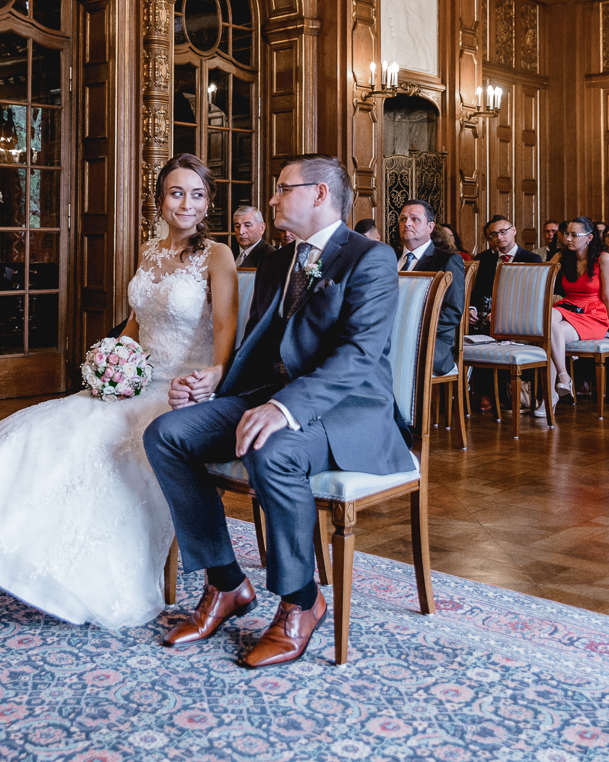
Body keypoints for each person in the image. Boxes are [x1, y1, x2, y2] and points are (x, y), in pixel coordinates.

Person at [0, 154, 238, 629]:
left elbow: (226, 326)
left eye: (197, 195)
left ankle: (74, 571)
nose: (186, 203)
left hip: (184, 388)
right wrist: (112, 361)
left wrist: (216, 374)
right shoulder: (148, 251)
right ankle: (9, 540)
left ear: (208, 205)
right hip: (136, 380)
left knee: (100, 445)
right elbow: (137, 323)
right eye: (177, 192)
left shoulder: (217, 255)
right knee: (41, 427)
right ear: (160, 199)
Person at [143, 154, 414, 669]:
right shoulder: (273, 260)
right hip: (269, 395)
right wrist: (212, 389)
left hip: (347, 410)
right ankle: (226, 583)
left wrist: (283, 409)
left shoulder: (369, 258)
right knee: (167, 434)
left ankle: (301, 601)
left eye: (282, 189)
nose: (271, 200)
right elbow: (257, 348)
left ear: (318, 194)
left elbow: (358, 356)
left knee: (273, 448)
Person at [548, 217, 609, 402]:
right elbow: (542, 284)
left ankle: (549, 397)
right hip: (568, 307)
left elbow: (608, 298)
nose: (568, 239)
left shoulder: (603, 259)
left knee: (550, 334)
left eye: (574, 235)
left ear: (589, 237)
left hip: (593, 314)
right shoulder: (561, 257)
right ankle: (562, 379)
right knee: (548, 319)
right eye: (566, 234)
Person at [397, 200, 466, 374]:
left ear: (430, 226)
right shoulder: (388, 258)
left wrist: (413, 329)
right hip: (390, 335)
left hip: (431, 340)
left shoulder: (446, 260)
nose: (408, 223)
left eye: (415, 219)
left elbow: (452, 311)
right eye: (403, 219)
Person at [470, 215, 541, 325]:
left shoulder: (531, 259)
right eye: (494, 234)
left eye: (503, 232)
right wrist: (472, 308)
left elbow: (532, 295)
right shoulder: (486, 261)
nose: (499, 237)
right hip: (487, 315)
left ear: (513, 231)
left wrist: (502, 314)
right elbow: (478, 290)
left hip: (519, 315)